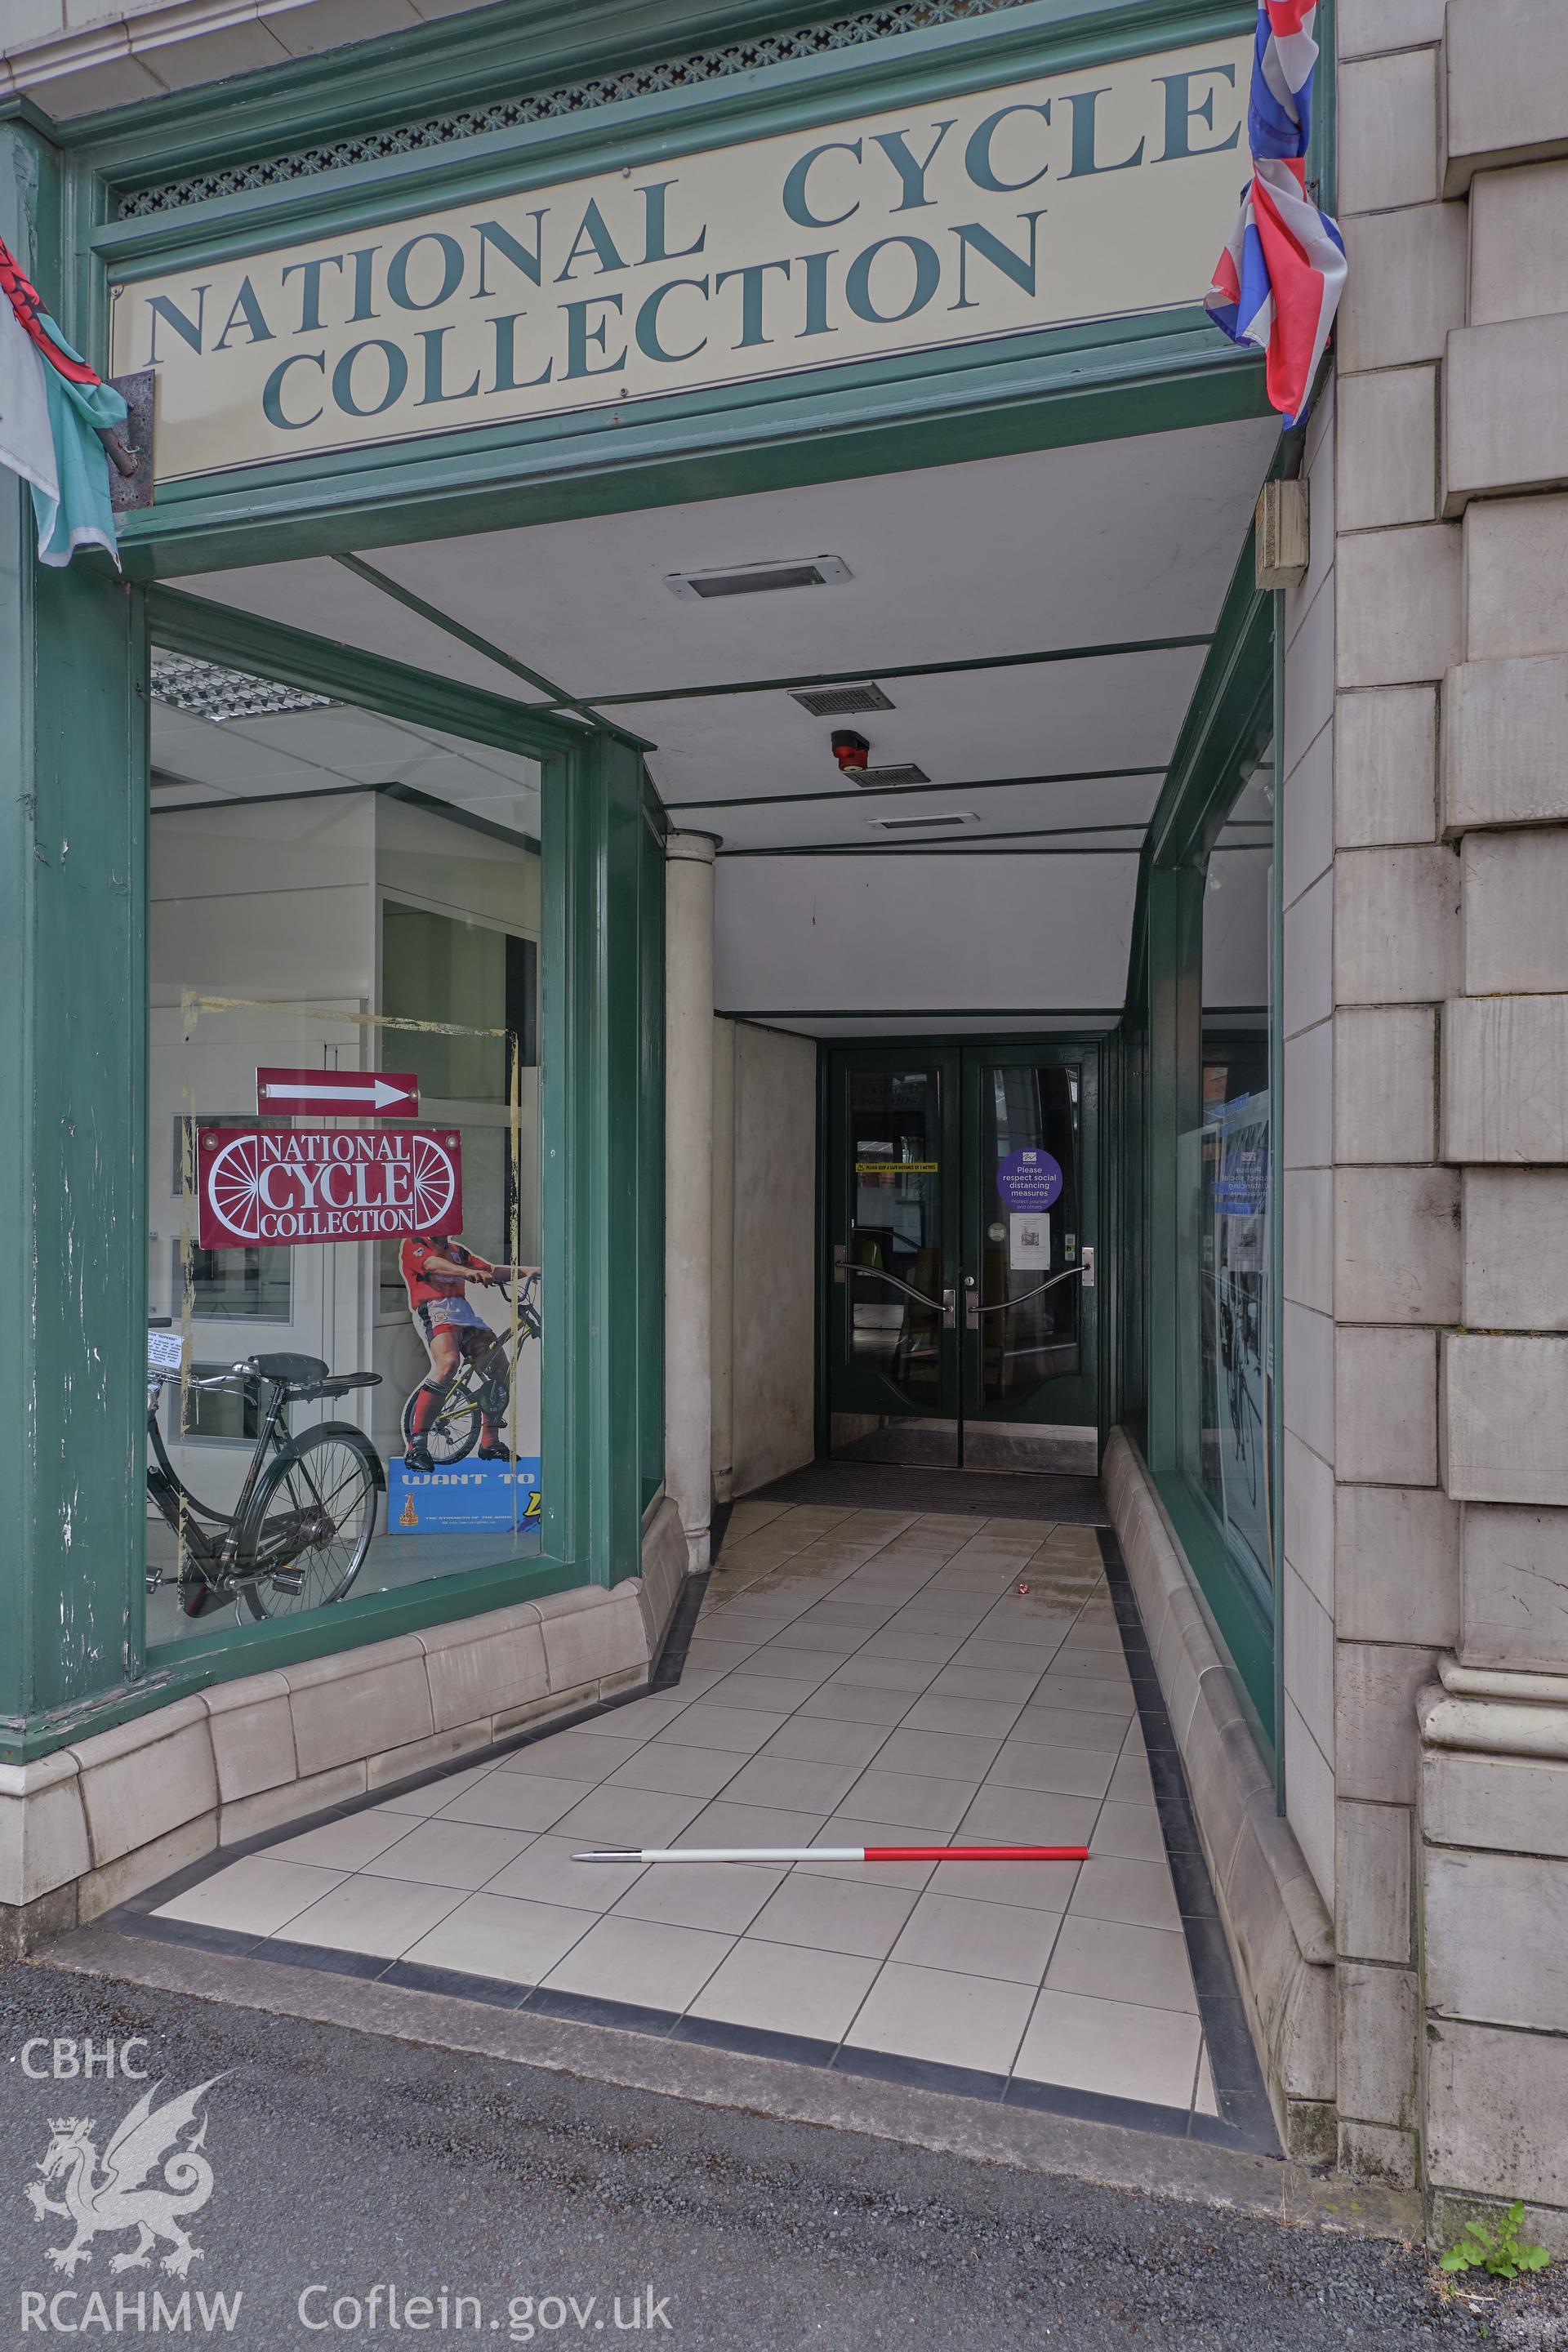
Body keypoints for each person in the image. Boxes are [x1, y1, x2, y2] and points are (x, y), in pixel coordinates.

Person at [399, 1232, 532, 1473]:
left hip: (464, 1312)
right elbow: (432, 1265)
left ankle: (490, 1441)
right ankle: (417, 1447)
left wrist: (532, 1272)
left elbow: (491, 1270)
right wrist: (468, 1273)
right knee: (449, 1363)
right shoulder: (415, 1243)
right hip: (435, 1308)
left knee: (501, 1370)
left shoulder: (456, 1251)